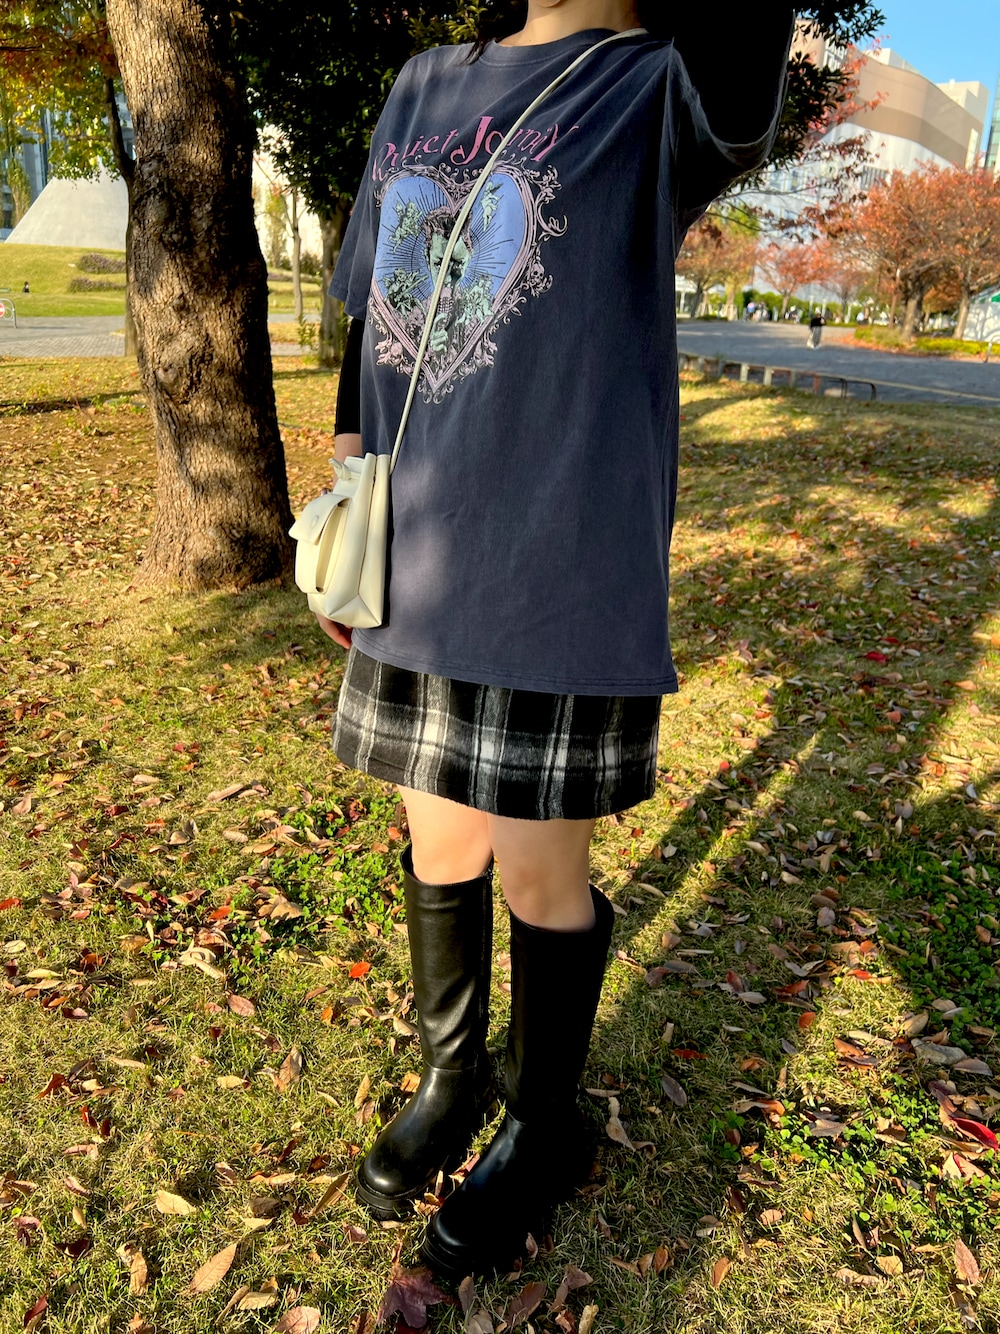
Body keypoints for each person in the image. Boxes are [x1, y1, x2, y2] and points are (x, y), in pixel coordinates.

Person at [317, 0, 794, 1281]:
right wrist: (348, 483)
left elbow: (742, 68)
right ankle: (453, 1074)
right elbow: (372, 308)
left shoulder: (656, 91)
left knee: (540, 870)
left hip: (554, 560)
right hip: (414, 554)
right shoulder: (425, 81)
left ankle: (543, 1122)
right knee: (438, 838)